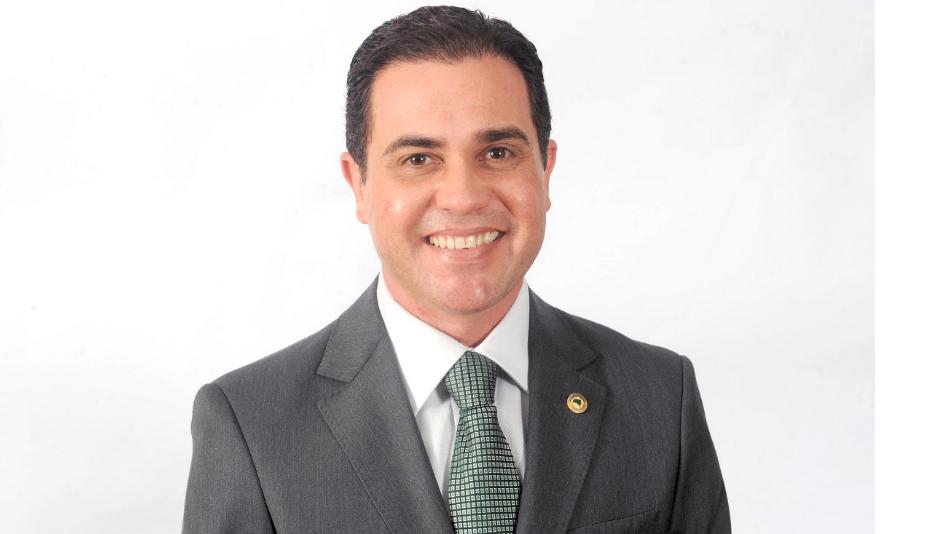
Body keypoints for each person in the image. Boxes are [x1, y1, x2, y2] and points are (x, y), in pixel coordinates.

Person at [182, 6, 730, 533]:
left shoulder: (661, 397)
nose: (463, 197)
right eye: (418, 159)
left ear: (546, 172)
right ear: (359, 186)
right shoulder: (250, 425)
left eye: (498, 153)